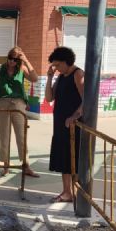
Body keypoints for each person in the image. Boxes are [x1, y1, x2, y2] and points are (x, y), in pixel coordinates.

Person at [0, 46, 40, 177]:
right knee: (4, 135)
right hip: (1, 103)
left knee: (21, 136)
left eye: (16, 59)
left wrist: (26, 60)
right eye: (10, 58)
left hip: (18, 103)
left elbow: (34, 78)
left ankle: (26, 165)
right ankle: (6, 165)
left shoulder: (22, 68)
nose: (12, 61)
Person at [45, 46, 84, 203]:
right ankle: (66, 192)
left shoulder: (78, 74)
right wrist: (49, 78)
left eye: (58, 64)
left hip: (74, 125)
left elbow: (86, 99)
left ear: (66, 62)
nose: (56, 68)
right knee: (63, 158)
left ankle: (76, 192)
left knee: (73, 158)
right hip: (60, 123)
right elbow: (49, 98)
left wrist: (75, 116)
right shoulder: (61, 76)